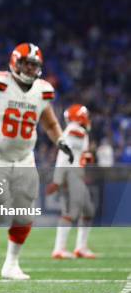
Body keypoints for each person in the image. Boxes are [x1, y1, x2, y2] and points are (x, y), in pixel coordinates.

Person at [0, 42, 74, 280]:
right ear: (15, 62)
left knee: (25, 213)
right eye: (26, 64)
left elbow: (50, 123)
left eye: (34, 65)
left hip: (24, 157)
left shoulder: (42, 90)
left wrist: (61, 140)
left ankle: (11, 264)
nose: (31, 69)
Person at [49, 104, 96, 259]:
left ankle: (81, 247)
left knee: (88, 210)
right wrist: (59, 179)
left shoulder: (78, 131)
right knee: (69, 212)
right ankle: (59, 249)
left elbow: (77, 155)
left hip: (76, 174)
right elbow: (64, 156)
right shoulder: (75, 130)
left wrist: (85, 157)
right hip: (70, 174)